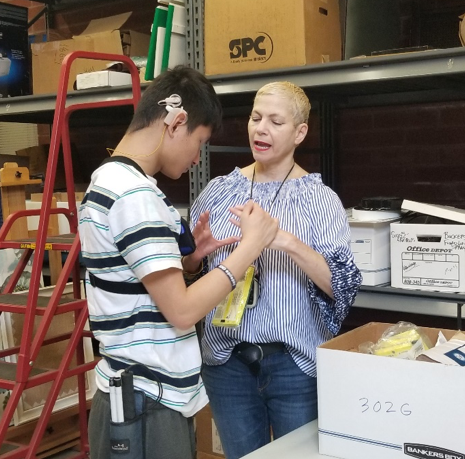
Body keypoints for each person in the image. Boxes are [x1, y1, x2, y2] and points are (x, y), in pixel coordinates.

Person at [78, 66, 279, 459]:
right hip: (146, 403)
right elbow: (183, 311)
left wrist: (189, 263)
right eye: (199, 141)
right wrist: (249, 249)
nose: (196, 156)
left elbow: (133, 282)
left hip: (138, 393)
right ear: (177, 121)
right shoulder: (133, 196)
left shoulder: (111, 180)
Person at [190, 81, 362, 459]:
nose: (260, 128)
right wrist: (192, 258)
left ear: (300, 132)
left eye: (275, 121)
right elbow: (187, 276)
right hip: (226, 362)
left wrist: (283, 241)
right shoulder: (218, 191)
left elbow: (343, 287)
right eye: (255, 117)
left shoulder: (319, 200)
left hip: (293, 366)